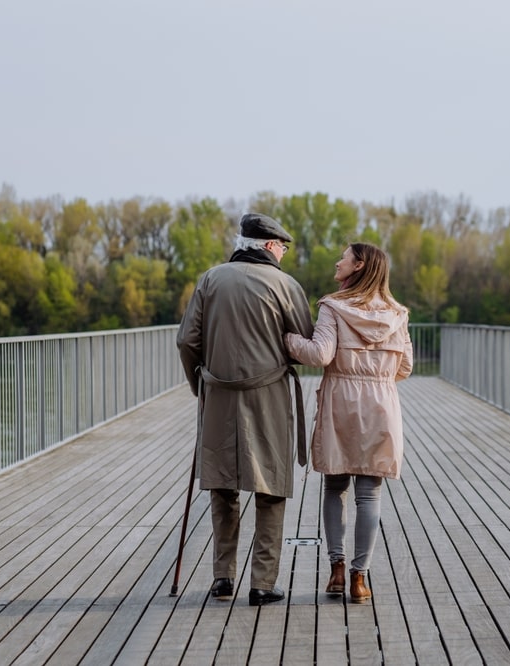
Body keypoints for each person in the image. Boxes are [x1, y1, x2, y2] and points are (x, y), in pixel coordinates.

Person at [176, 212, 314, 607]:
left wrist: (200, 384)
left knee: (222, 485)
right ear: (270, 246)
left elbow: (186, 340)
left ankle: (223, 578)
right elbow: (303, 344)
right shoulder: (285, 285)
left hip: (218, 394)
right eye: (283, 248)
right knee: (270, 487)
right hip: (267, 395)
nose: (284, 254)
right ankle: (262, 583)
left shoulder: (210, 279)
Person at [284, 242, 412, 604]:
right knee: (369, 493)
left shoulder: (333, 307)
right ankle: (360, 578)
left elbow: (319, 353)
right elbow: (405, 367)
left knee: (335, 488)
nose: (337, 261)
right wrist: (377, 380)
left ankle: (336, 569)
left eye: (344, 257)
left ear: (357, 266)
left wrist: (287, 338)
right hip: (381, 406)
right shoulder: (398, 314)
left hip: (340, 402)